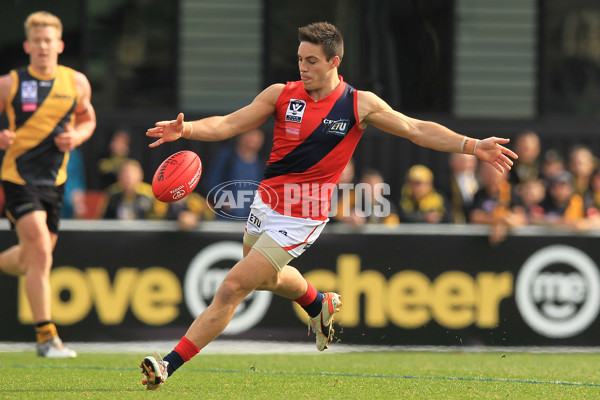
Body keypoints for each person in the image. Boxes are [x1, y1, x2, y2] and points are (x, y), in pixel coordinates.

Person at [139, 22, 517, 390]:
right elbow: (227, 125)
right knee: (268, 278)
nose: (303, 68)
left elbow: (416, 129)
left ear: (334, 62)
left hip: (303, 216)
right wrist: (185, 130)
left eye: (312, 61)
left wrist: (472, 145)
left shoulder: (358, 104)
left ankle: (167, 365)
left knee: (232, 286)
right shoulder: (280, 94)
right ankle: (318, 303)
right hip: (266, 204)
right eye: (300, 59)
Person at [0, 11, 96, 358]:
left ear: (59, 45)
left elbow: (88, 118)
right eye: (36, 40)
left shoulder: (76, 82)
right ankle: (46, 338)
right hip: (17, 179)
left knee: (32, 258)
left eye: (48, 40)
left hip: (55, 183)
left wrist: (77, 137)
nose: (42, 46)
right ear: (27, 45)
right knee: (40, 250)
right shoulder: (9, 84)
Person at [204, 128, 265, 219]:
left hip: (249, 219)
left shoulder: (262, 163)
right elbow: (211, 182)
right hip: (224, 219)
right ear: (240, 136)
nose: (253, 139)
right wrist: (224, 199)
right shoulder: (227, 157)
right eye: (250, 134)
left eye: (257, 135)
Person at [470, 161, 526, 245]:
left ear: (505, 176)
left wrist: (498, 223)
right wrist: (500, 221)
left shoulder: (512, 193)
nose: (493, 179)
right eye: (489, 175)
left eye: (495, 176)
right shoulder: (480, 194)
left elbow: (520, 218)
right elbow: (475, 217)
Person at [442, 153, 479, 224]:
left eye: (470, 161)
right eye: (462, 161)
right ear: (452, 162)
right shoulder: (445, 183)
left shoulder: (481, 181)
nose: (466, 165)